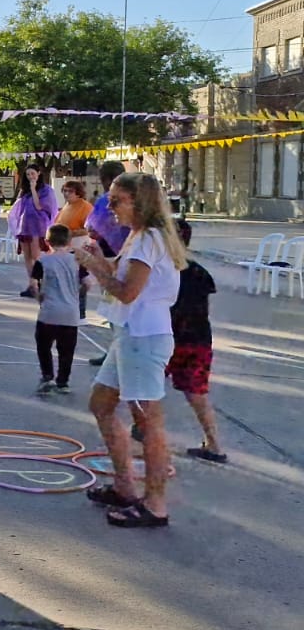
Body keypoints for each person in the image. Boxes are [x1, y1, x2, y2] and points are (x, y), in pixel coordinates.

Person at [75, 172, 185, 528]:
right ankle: (124, 485)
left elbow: (127, 292)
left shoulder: (147, 239)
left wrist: (94, 266)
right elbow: (124, 280)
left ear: (140, 203)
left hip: (144, 337)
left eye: (116, 200)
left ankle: (155, 504)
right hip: (131, 334)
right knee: (102, 404)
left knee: (147, 422)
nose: (110, 207)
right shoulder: (139, 237)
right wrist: (102, 259)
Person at [168, 219, 223, 463]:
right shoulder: (200, 272)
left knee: (143, 390)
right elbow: (202, 307)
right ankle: (214, 445)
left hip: (168, 338)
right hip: (199, 339)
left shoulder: (162, 270)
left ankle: (145, 437)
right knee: (196, 393)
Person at [85, 160, 132, 366]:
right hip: (122, 253)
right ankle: (117, 350)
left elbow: (93, 227)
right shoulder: (134, 199)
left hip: (114, 256)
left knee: (117, 308)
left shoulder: (108, 200)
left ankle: (116, 352)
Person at [29, 224, 81, 394]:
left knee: (43, 345)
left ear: (47, 241)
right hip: (71, 313)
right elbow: (87, 283)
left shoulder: (43, 261)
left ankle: (47, 374)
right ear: (69, 241)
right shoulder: (77, 260)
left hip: (49, 312)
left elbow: (33, 284)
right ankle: (63, 381)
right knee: (67, 350)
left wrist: (39, 297)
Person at [9, 164, 59, 292]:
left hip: (38, 226)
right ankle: (32, 284)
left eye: (32, 173)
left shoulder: (46, 190)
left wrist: (33, 189)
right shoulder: (24, 191)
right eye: (28, 174)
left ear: (38, 173)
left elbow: (39, 206)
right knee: (27, 257)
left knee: (36, 256)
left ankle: (39, 282)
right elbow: (18, 208)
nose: (30, 177)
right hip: (24, 226)